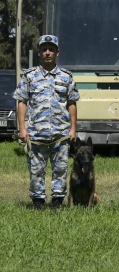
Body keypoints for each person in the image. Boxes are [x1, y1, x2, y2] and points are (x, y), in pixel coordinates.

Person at [13, 35, 80, 210]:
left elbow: (72, 102)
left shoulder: (66, 77)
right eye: (44, 49)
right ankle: (38, 203)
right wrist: (22, 128)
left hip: (61, 134)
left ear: (57, 52)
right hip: (36, 134)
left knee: (60, 170)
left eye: (51, 49)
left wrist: (73, 128)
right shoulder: (29, 76)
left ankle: (57, 202)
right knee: (36, 171)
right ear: (39, 53)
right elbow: (22, 101)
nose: (47, 53)